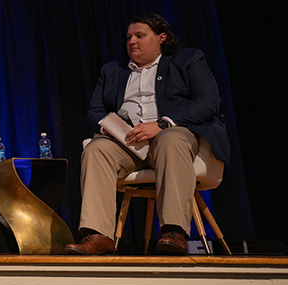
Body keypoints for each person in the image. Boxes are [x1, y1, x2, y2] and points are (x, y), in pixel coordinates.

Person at [66, 14, 229, 256]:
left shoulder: (187, 59)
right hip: (127, 143)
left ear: (161, 38)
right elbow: (94, 111)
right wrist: (112, 127)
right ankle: (99, 235)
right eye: (129, 37)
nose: (132, 41)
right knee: (96, 149)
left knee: (171, 139)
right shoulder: (112, 71)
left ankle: (174, 232)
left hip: (171, 135)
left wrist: (163, 124)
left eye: (140, 36)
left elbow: (208, 102)